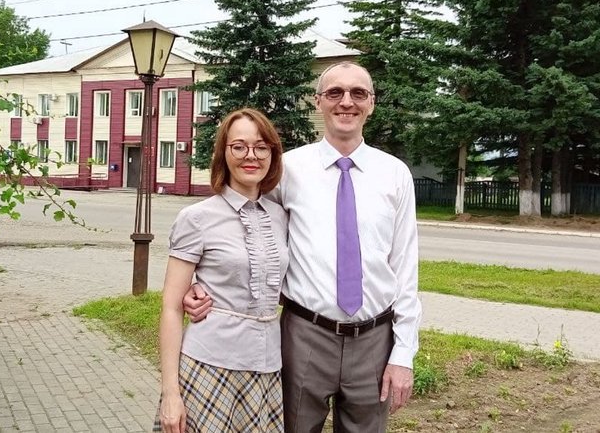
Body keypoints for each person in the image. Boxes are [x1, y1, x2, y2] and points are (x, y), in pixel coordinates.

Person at [185, 62, 422, 432]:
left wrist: (403, 353)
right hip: (304, 336)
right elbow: (237, 222)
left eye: (358, 93)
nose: (346, 102)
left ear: (372, 104)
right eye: (334, 93)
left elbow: (406, 268)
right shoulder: (286, 169)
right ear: (318, 102)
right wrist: (199, 283)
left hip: (375, 341)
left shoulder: (394, 174)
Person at [155, 108, 288, 433]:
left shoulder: (281, 215)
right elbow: (171, 308)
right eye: (238, 146)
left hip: (266, 368)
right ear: (223, 154)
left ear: (272, 152)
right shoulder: (197, 217)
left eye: (261, 146)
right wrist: (171, 394)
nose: (250, 156)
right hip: (209, 365)